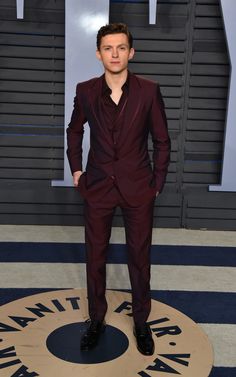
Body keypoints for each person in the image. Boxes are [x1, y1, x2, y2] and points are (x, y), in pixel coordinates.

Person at [67, 23, 170, 356]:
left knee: (139, 258)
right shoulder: (85, 90)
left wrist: (157, 182)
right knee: (95, 256)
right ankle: (96, 319)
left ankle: (141, 322)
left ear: (131, 52)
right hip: (97, 186)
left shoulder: (149, 91)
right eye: (108, 48)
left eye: (121, 47)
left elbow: (162, 140)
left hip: (139, 187)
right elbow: (74, 131)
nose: (115, 54)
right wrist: (78, 170)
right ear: (99, 54)